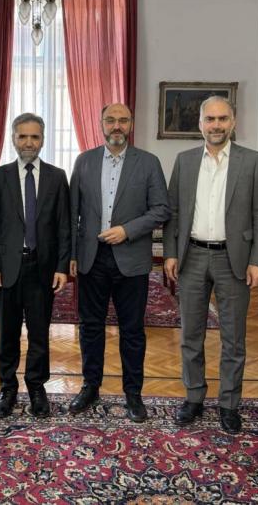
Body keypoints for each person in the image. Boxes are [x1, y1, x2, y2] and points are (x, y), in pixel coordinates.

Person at [163, 95, 258, 434]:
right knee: (190, 335)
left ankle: (229, 404)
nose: (216, 125)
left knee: (233, 338)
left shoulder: (252, 161)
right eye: (210, 119)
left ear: (233, 122)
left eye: (223, 119)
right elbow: (173, 212)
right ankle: (194, 397)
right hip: (192, 256)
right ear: (200, 124)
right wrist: (171, 253)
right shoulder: (184, 161)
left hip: (233, 259)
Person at [69, 103, 170, 423]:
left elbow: (161, 209)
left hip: (132, 259)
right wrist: (71, 255)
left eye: (123, 120)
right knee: (90, 327)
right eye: (110, 120)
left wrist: (128, 230)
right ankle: (90, 386)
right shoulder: (84, 161)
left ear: (131, 124)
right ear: (100, 124)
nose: (116, 125)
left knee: (132, 330)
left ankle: (133, 394)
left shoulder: (149, 163)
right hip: (92, 258)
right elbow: (72, 213)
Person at [0, 113, 71, 418]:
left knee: (39, 334)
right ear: (13, 139)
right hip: (6, 269)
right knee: (7, 335)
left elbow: (64, 226)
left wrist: (61, 266)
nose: (29, 143)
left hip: (42, 269)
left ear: (43, 140)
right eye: (23, 136)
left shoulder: (57, 177)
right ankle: (7, 388)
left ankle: (36, 387)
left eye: (34, 137)